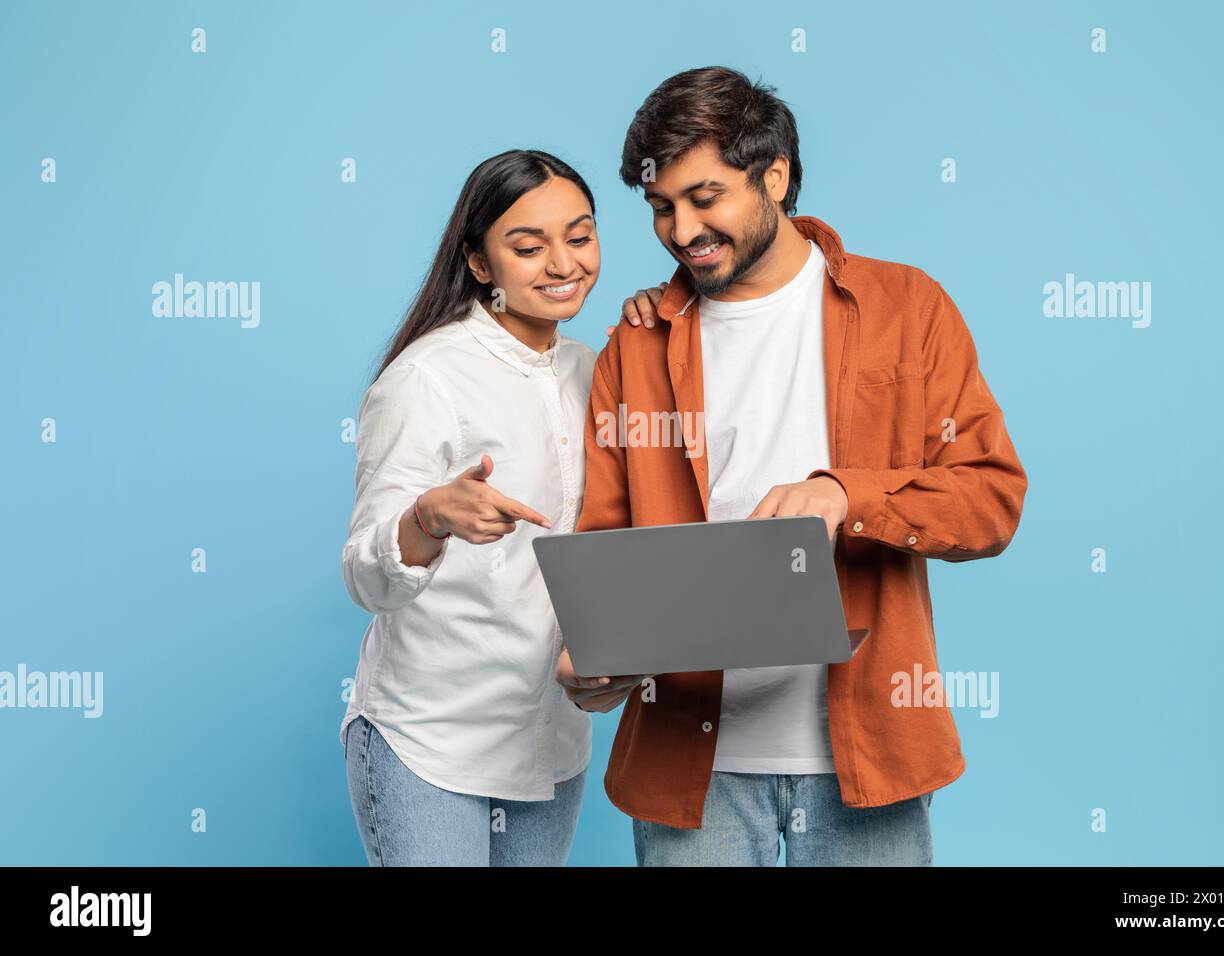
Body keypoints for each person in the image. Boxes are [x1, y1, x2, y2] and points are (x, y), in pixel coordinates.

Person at [558, 66, 1029, 866]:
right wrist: (597, 663)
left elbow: (990, 500)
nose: (680, 229)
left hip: (868, 752)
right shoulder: (633, 346)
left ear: (773, 175)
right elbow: (605, 550)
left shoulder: (908, 309)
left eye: (705, 199)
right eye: (661, 207)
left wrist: (847, 494)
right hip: (690, 767)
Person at [339, 149, 605, 866]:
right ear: (479, 263)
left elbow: (609, 550)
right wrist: (429, 516)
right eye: (528, 246)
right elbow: (365, 578)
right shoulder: (426, 378)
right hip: (430, 741)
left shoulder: (595, 373)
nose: (561, 263)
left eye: (579, 237)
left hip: (551, 741)